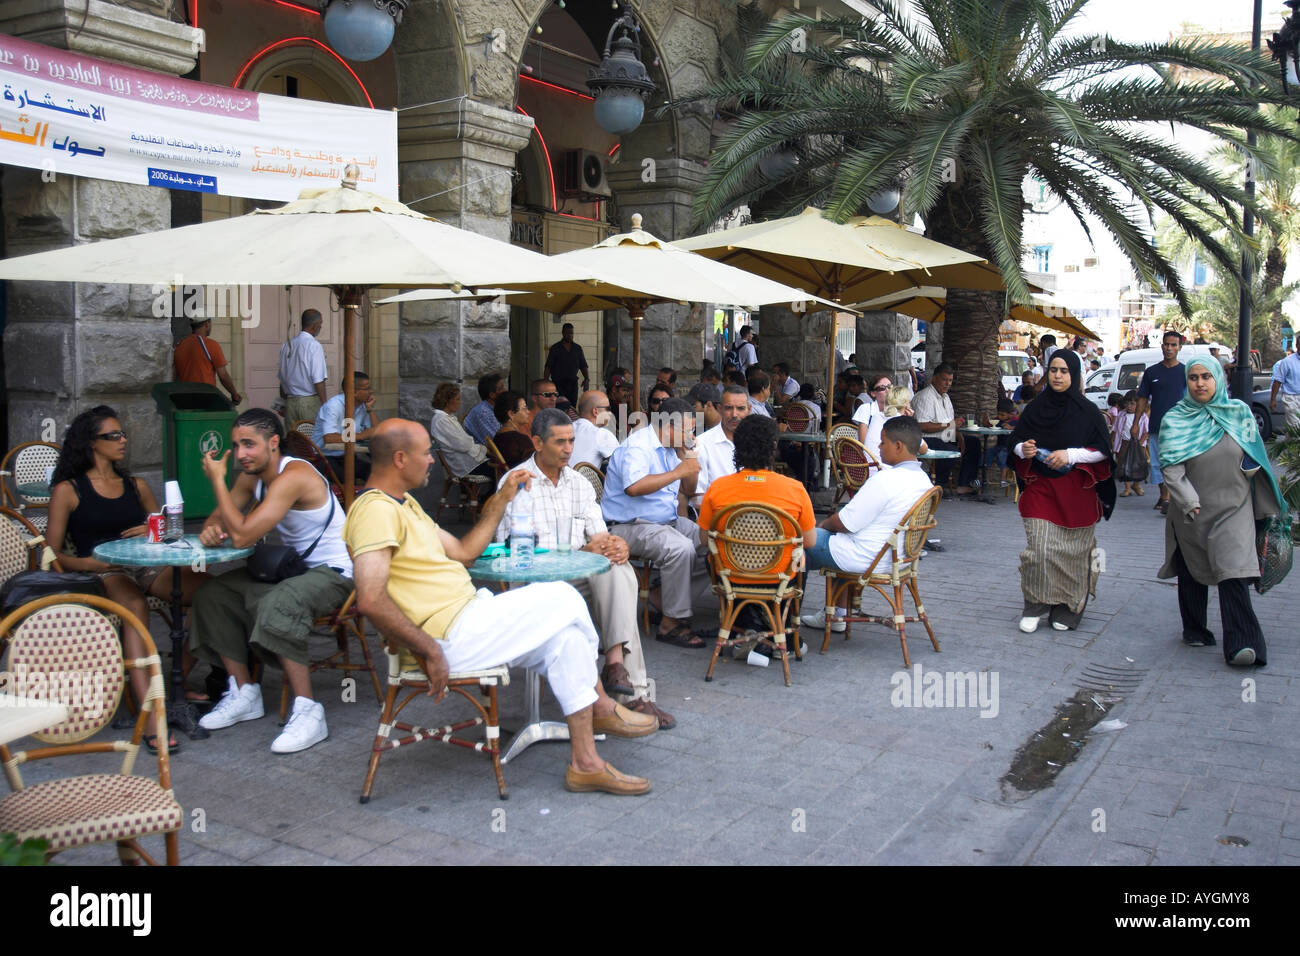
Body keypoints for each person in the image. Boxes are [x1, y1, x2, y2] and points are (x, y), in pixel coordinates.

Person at [345, 419, 656, 795]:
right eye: (426, 453)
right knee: (565, 598)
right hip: (443, 638)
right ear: (399, 459)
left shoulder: (405, 504)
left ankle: (585, 764)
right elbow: (371, 598)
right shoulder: (374, 511)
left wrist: (503, 498)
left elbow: (464, 551)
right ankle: (603, 706)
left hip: (468, 616)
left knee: (569, 639)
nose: (432, 461)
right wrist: (428, 650)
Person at [495, 409, 675, 728]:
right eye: (560, 442)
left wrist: (615, 545)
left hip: (578, 578)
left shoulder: (578, 483)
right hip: (537, 583)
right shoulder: (516, 484)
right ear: (537, 442)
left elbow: (600, 535)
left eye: (572, 441)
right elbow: (513, 553)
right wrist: (582, 552)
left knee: (617, 567)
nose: (568, 449)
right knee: (612, 575)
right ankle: (633, 695)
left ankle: (616, 666)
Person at [190, 408, 353, 753]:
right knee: (213, 593)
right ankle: (244, 691)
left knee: (281, 603)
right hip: (291, 570)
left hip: (334, 573)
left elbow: (244, 535)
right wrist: (210, 528)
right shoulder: (252, 477)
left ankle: (309, 712)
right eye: (236, 445)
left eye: (249, 444)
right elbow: (220, 518)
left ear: (273, 442)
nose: (241, 454)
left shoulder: (293, 475)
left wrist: (217, 480)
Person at [45, 406, 207, 753]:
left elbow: (167, 531)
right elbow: (52, 552)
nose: (123, 440)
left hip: (146, 564)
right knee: (134, 607)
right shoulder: (69, 490)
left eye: (122, 434)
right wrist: (89, 563)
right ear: (92, 443)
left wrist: (155, 531)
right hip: (103, 569)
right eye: (113, 435)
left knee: (212, 593)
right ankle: (150, 716)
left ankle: (167, 681)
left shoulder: (135, 485)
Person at [1156, 359, 1286, 666]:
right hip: (1193, 511)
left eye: (1206, 377)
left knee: (1233, 572)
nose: (1200, 383)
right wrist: (1188, 501)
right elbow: (1171, 467)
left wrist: (1253, 469)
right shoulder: (1176, 419)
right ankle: (1195, 627)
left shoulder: (1239, 412)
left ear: (1217, 379)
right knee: (1193, 570)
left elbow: (1255, 452)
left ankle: (1243, 644)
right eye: (1193, 378)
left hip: (1235, 508)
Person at [1009, 350, 1115, 634]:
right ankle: (1034, 603)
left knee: (1072, 553)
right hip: (1041, 489)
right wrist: (1024, 449)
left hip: (1077, 492)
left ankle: (1068, 606)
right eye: (1053, 370)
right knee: (1040, 550)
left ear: (1074, 375)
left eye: (1064, 371)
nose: (1057, 375)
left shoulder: (1089, 412)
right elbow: (1015, 442)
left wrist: (1071, 455)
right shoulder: (1034, 409)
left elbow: (1103, 452)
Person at [799, 417, 933, 632]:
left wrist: (823, 525)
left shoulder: (886, 479)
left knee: (797, 544)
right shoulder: (924, 481)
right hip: (897, 558)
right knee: (835, 540)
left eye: (882, 442)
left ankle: (785, 621)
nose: (878, 448)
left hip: (866, 557)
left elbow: (845, 522)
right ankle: (838, 615)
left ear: (898, 446)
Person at [698, 415, 817, 646]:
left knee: (711, 557)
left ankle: (742, 624)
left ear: (737, 446)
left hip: (731, 576)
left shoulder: (718, 488)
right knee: (804, 557)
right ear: (774, 446)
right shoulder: (795, 489)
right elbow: (810, 540)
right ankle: (784, 629)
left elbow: (704, 539)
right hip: (778, 577)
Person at [602, 397, 707, 648]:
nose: (691, 435)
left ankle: (663, 599)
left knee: (711, 542)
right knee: (680, 549)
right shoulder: (638, 447)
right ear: (669, 426)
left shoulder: (674, 448)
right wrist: (679, 471)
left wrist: (690, 466)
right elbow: (634, 488)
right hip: (629, 525)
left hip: (665, 521)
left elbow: (689, 490)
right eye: (688, 429)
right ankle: (670, 623)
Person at [1136, 331, 1187, 515]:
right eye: (1167, 344)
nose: (1169, 348)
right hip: (1157, 426)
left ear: (1180, 347)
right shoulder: (1152, 372)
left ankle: (1170, 498)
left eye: (1174, 345)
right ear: (1162, 346)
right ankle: (1164, 497)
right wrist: (1135, 424)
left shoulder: (1185, 372)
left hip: (1179, 429)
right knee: (1157, 464)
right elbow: (1142, 399)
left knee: (1176, 463)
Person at [912, 362, 980, 495]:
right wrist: (949, 426)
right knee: (950, 451)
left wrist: (957, 434)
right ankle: (939, 485)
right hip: (926, 438)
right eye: (944, 380)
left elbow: (950, 423)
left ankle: (964, 484)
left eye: (950, 380)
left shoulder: (946, 397)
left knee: (973, 443)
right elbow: (922, 426)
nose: (947, 384)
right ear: (934, 379)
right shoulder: (925, 397)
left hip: (945, 436)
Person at [311, 371, 379, 482]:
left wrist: (370, 409)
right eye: (366, 389)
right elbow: (329, 438)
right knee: (346, 479)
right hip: (323, 457)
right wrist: (361, 436)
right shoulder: (334, 406)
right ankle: (349, 498)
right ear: (354, 392)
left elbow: (377, 432)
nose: (370, 392)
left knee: (375, 473)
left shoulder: (361, 406)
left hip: (346, 456)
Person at [429, 383, 495, 497]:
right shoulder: (441, 421)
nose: (460, 402)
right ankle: (487, 502)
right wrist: (478, 446)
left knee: (501, 463)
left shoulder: (447, 418)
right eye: (457, 399)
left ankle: (487, 500)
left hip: (469, 459)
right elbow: (463, 444)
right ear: (447, 400)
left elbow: (464, 442)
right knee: (501, 471)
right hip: (465, 465)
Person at [692, 384, 749, 508]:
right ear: (720, 409)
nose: (734, 414)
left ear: (748, 409)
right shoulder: (702, 444)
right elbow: (698, 496)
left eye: (740, 408)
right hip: (718, 517)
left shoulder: (756, 442)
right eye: (729, 408)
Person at [175, 316, 242, 405]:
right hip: (206, 399)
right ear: (207, 324)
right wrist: (234, 395)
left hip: (184, 400)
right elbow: (223, 376)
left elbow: (174, 375)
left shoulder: (180, 346)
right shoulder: (211, 345)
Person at [278, 309, 328, 425]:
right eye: (320, 324)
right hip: (309, 402)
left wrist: (282, 402)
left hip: (290, 402)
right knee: (311, 441)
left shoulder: (287, 346)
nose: (320, 327)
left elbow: (282, 378)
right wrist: (325, 404)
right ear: (315, 326)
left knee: (293, 441)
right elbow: (318, 380)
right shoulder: (314, 346)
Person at [543, 323, 589, 407]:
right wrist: (546, 383)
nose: (570, 335)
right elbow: (548, 366)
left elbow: (583, 365)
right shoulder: (555, 348)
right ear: (563, 333)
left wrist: (586, 379)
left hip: (572, 384)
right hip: (558, 384)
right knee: (560, 407)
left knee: (572, 407)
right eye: (568, 333)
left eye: (571, 333)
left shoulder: (577, 348)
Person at [572, 390, 620, 469]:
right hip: (583, 480)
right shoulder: (601, 434)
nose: (610, 413)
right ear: (595, 411)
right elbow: (622, 464)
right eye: (608, 409)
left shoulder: (568, 428)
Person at [1113, 389, 1148, 497]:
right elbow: (1115, 429)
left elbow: (1146, 432)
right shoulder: (1121, 415)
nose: (1129, 406)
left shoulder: (1142, 416)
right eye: (1127, 403)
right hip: (1124, 443)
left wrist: (1140, 443)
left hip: (1138, 444)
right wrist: (1113, 441)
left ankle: (1136, 484)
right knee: (1123, 465)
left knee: (1137, 465)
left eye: (1132, 404)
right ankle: (1127, 487)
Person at [491, 389, 534, 468]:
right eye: (524, 408)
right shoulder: (520, 440)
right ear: (511, 414)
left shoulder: (498, 437)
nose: (528, 412)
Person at [853, 373, 892, 462]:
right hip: (870, 459)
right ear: (873, 393)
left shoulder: (897, 411)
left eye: (890, 387)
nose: (887, 390)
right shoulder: (866, 408)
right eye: (882, 388)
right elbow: (864, 443)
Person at [464, 373, 507, 446]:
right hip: (485, 456)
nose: (505, 391)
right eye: (501, 388)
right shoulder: (482, 412)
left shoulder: (496, 408)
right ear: (492, 395)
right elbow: (498, 441)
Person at [1269, 347, 1300, 429]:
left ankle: (1290, 440)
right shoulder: (1287, 361)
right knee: (1295, 427)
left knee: (1294, 431)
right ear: (1297, 345)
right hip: (1291, 398)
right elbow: (1277, 381)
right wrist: (1273, 400)